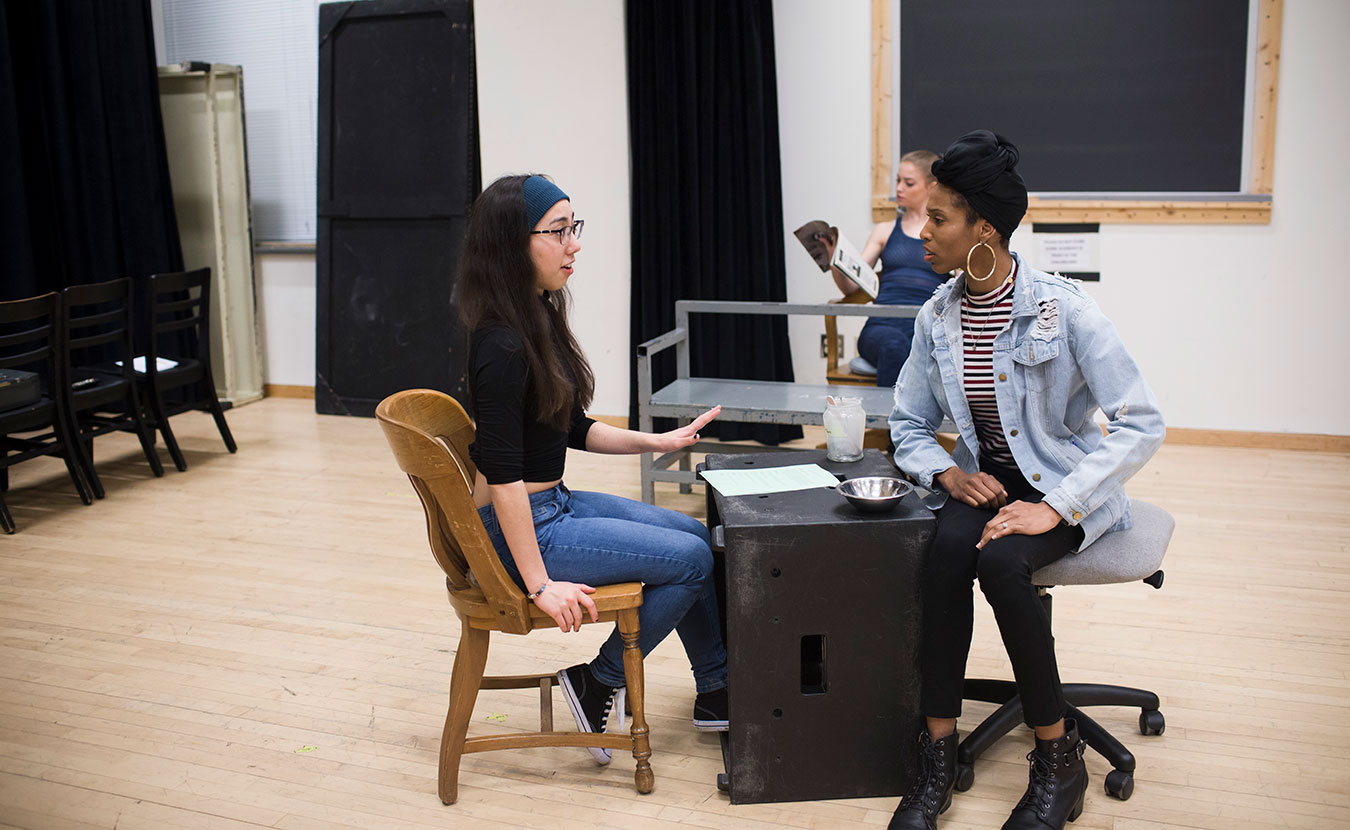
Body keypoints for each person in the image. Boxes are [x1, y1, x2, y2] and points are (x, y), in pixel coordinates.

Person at [885, 132, 1165, 830]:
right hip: (983, 483)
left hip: (1065, 485)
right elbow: (907, 425)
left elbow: (1142, 423)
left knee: (1004, 565)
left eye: (938, 217)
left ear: (984, 229)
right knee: (944, 555)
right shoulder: (937, 317)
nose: (922, 231)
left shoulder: (1063, 309)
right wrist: (946, 472)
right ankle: (937, 756)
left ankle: (1057, 759)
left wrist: (1058, 507)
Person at [457, 173, 729, 767]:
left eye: (573, 228)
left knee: (692, 536)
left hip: (553, 505)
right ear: (511, 242)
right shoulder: (500, 346)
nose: (573, 243)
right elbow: (501, 478)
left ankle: (716, 690)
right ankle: (600, 680)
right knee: (692, 560)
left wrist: (660, 438)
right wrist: (538, 585)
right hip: (522, 529)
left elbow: (570, 425)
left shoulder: (535, 315)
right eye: (558, 231)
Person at [829, 150, 942, 389]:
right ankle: (896, 424)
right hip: (881, 328)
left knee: (917, 346)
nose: (899, 188)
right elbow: (851, 285)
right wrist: (834, 261)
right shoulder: (885, 230)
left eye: (908, 183)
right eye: (898, 181)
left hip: (922, 326)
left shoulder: (943, 234)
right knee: (894, 345)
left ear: (931, 187)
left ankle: (903, 424)